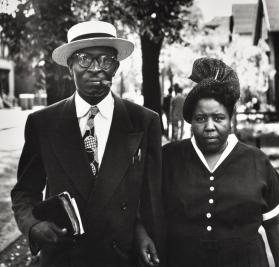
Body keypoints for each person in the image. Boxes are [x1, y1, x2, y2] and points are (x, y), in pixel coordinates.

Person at [11, 21, 164, 267]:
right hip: (64, 256)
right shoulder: (43, 123)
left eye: (105, 60)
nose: (95, 69)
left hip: (122, 256)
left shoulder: (144, 121)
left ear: (115, 67)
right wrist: (33, 225)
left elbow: (151, 199)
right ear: (69, 65)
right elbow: (25, 192)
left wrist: (143, 232)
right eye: (84, 59)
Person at [137, 57, 279, 267]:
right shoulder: (169, 158)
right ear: (191, 121)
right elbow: (138, 206)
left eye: (218, 118)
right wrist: (140, 234)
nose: (209, 126)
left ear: (231, 120)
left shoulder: (256, 161)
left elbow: (278, 226)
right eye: (201, 118)